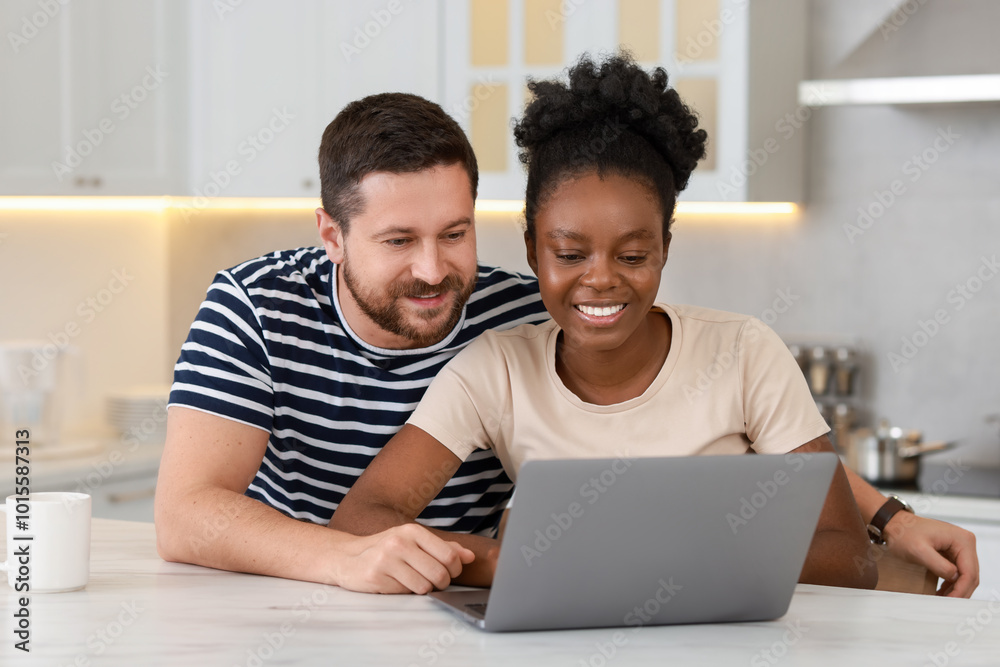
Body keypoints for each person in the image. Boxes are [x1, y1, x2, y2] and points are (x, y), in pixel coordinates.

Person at [155, 86, 979, 596]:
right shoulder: (258, 305)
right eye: (399, 240)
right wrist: (347, 559)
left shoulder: (524, 307)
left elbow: (794, 476)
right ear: (333, 236)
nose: (436, 269)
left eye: (453, 233)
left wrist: (889, 517)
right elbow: (190, 514)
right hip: (335, 599)